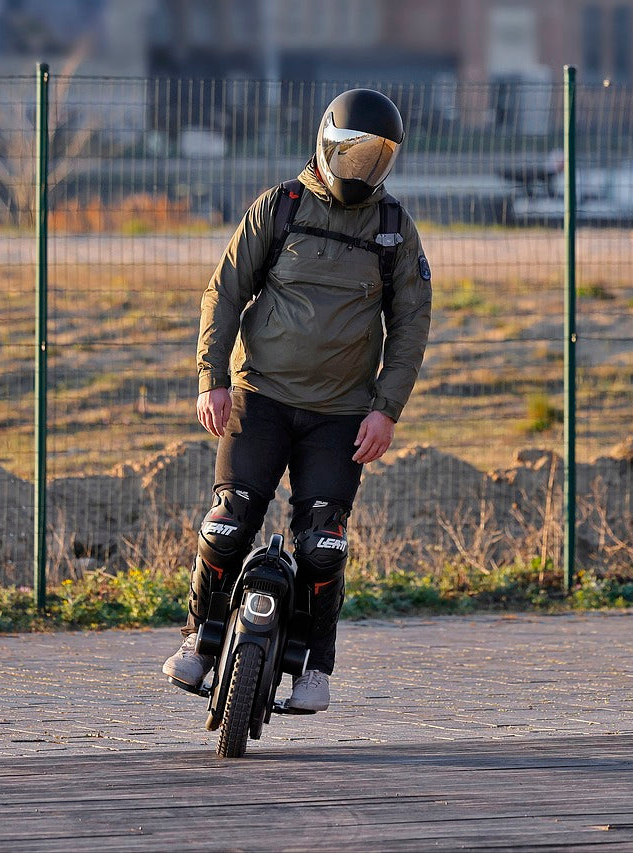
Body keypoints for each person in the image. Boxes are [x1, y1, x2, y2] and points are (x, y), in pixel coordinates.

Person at [162, 88, 432, 712]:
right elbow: (223, 292)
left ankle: (314, 664)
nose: (360, 170)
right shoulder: (279, 208)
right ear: (326, 147)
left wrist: (386, 410)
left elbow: (412, 324)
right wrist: (212, 379)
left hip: (341, 415)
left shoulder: (394, 230)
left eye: (375, 159)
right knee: (226, 525)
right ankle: (201, 642)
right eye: (352, 156)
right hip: (261, 397)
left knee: (323, 544)